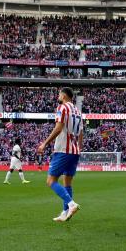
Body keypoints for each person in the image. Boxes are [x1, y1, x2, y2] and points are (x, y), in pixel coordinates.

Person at [38, 87, 82, 223]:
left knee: (51, 181)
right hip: (74, 151)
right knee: (67, 181)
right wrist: (79, 148)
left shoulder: (62, 108)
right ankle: (65, 212)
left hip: (63, 149)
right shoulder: (78, 111)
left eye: (59, 94)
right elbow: (81, 133)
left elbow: (58, 127)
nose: (58, 96)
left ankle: (71, 204)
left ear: (63, 96)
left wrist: (45, 143)